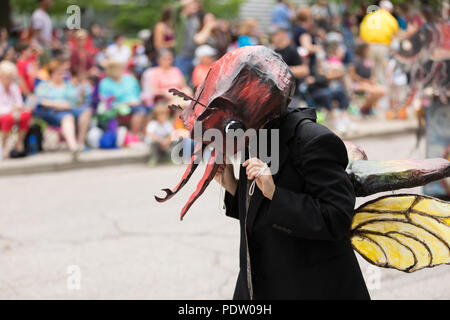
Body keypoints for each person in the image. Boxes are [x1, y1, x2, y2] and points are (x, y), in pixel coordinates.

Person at [213, 61, 369, 300]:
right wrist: (232, 186)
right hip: (260, 281)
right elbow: (261, 215)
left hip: (312, 285)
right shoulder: (256, 135)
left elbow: (337, 218)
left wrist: (276, 194)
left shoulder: (313, 140)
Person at [34, 59, 92, 155]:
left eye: (63, 73)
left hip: (69, 108)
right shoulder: (44, 85)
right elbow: (40, 101)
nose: (62, 75)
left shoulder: (68, 85)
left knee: (86, 111)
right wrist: (58, 104)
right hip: (51, 111)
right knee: (67, 117)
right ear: (52, 74)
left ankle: (80, 143)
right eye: (59, 73)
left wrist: (82, 94)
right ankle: (73, 147)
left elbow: (76, 101)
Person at [98, 60, 146, 138]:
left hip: (134, 104)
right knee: (138, 109)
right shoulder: (104, 83)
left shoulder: (130, 79)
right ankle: (129, 136)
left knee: (142, 109)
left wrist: (137, 101)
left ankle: (135, 135)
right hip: (116, 106)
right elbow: (105, 100)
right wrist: (124, 103)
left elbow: (137, 94)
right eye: (113, 68)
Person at [359, 0, 399, 84]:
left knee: (370, 70)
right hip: (383, 46)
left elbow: (362, 32)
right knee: (382, 69)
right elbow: (395, 35)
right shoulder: (390, 19)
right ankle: (382, 89)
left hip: (369, 46)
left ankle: (371, 87)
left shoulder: (369, 16)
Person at [269, 25, 309, 107]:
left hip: (291, 95)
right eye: (272, 35)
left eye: (276, 34)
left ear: (283, 34)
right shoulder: (273, 51)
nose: (273, 37)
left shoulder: (291, 50)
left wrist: (283, 70)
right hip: (277, 95)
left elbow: (304, 70)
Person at [0, 61, 32, 159]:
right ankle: (3, 146)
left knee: (26, 115)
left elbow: (20, 103)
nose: (9, 80)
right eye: (7, 77)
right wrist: (12, 109)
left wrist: (19, 108)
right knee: (8, 118)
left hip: (14, 113)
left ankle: (19, 143)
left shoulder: (14, 87)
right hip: (5, 114)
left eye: (11, 78)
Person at [349, 42, 386, 115]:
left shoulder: (367, 60)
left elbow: (372, 73)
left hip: (368, 83)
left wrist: (373, 79)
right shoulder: (355, 60)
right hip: (358, 83)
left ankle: (366, 107)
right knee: (373, 92)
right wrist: (363, 80)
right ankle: (365, 108)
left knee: (382, 91)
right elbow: (352, 75)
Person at [174, 0, 200, 81]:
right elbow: (175, 9)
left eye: (196, 5)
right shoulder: (180, 19)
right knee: (182, 81)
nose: (195, 7)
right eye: (192, 5)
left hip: (193, 55)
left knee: (192, 82)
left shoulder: (195, 20)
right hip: (181, 55)